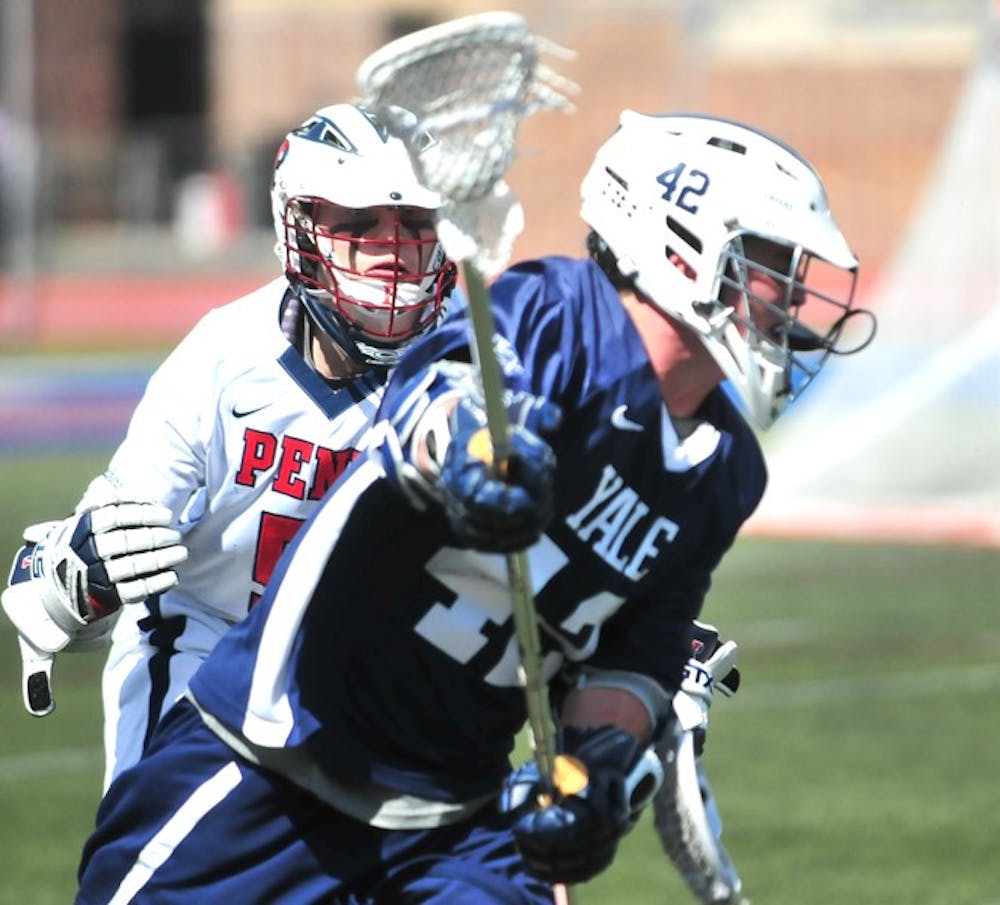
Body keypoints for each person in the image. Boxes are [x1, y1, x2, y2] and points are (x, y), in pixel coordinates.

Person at [74, 111, 875, 903]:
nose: (795, 293)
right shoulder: (556, 316)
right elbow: (429, 402)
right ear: (683, 249)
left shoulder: (725, 471)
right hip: (275, 762)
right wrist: (472, 454)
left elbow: (634, 658)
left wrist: (597, 768)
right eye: (772, 262)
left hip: (453, 820)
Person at [1, 102, 461, 789]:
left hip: (376, 667)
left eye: (414, 224)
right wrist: (80, 570)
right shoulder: (222, 358)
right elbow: (100, 543)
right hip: (209, 647)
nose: (391, 250)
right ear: (297, 228)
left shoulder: (471, 365)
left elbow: (571, 544)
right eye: (359, 224)